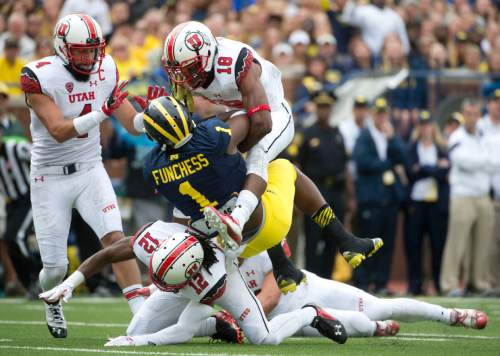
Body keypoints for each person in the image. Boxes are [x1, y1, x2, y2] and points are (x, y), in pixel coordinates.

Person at [161, 22, 378, 288]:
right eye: (179, 70)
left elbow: (262, 123)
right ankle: (305, 258)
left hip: (273, 115)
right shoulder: (190, 69)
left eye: (190, 69)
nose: (184, 76)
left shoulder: (236, 62)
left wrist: (231, 154)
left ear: (207, 56)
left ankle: (238, 220)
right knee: (272, 179)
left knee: (257, 157)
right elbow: (182, 123)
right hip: (240, 114)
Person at [141, 97, 381, 276]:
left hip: (223, 246)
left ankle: (283, 268)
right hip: (262, 224)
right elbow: (246, 117)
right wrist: (214, 113)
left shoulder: (151, 166)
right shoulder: (212, 137)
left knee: (186, 205)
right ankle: (345, 240)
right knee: (281, 168)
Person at [20, 14, 148, 338]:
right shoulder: (38, 76)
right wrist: (102, 112)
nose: (89, 58)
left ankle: (143, 317)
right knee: (56, 268)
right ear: (62, 49)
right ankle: (52, 300)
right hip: (50, 177)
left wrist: (156, 114)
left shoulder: (106, 67)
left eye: (93, 50)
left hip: (91, 168)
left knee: (115, 240)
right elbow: (59, 131)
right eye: (80, 51)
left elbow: (132, 123)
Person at [40, 224, 349, 347]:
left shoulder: (212, 281)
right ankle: (216, 327)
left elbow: (182, 329)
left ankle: (311, 314)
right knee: (135, 329)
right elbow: (109, 253)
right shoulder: (158, 240)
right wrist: (71, 282)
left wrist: (142, 344)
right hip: (188, 267)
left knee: (265, 339)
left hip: (227, 282)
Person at [239, 251, 488, 333]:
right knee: (357, 325)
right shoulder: (216, 262)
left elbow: (270, 297)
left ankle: (450, 315)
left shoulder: (261, 242)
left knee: (378, 307)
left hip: (308, 289)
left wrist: (236, 321)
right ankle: (376, 330)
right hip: (289, 321)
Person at [440, 99, 499, 297]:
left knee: (483, 244)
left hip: (483, 195)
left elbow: (495, 162)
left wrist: (483, 162)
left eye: (474, 113)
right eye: (468, 113)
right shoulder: (457, 136)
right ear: (463, 114)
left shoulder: (484, 137)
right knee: (457, 242)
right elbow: (462, 161)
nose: (471, 118)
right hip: (463, 195)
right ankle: (449, 284)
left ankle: (479, 283)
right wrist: (484, 162)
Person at [352, 98, 407, 294]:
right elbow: (362, 162)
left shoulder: (391, 135)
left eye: (384, 113)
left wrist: (392, 139)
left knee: (387, 242)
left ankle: (382, 282)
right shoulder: (364, 136)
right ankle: (364, 283)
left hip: (388, 198)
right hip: (371, 198)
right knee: (368, 242)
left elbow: (403, 157)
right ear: (372, 114)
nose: (381, 117)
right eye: (378, 113)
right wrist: (386, 164)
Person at [298, 90, 349, 279]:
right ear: (316, 109)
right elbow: (298, 167)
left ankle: (327, 280)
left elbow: (345, 165)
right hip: (314, 194)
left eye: (327, 107)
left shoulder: (337, 134)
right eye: (320, 107)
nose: (324, 111)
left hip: (336, 192)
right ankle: (312, 280)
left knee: (332, 239)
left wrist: (349, 197)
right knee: (313, 239)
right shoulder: (307, 134)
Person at [405, 111, 449, 295]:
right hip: (417, 202)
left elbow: (443, 173)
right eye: (422, 125)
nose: (425, 128)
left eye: (428, 124)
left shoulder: (440, 147)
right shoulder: (413, 147)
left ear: (433, 126)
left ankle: (437, 283)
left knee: (437, 245)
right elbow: (410, 172)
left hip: (435, 204)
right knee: (414, 244)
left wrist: (423, 168)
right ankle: (415, 284)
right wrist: (434, 168)